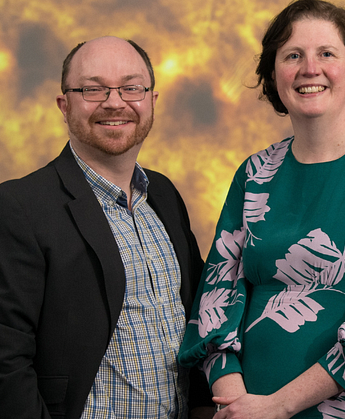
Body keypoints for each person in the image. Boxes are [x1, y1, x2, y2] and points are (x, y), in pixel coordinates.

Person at [177, 1, 345, 418]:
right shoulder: (255, 172)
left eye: (327, 53)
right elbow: (216, 300)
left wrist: (278, 407)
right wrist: (239, 403)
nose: (308, 68)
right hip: (244, 408)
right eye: (292, 55)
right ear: (273, 74)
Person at [0, 36, 212, 418]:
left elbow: (198, 314)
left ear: (151, 100)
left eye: (131, 87)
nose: (115, 102)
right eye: (93, 89)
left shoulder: (163, 194)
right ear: (64, 105)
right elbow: (5, 361)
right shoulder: (19, 207)